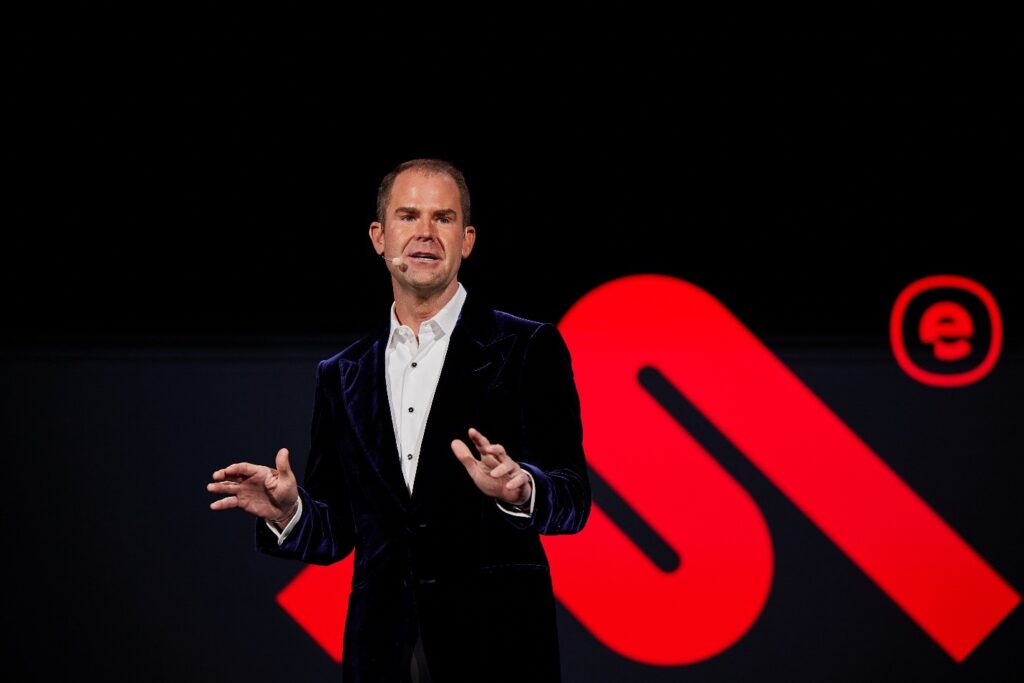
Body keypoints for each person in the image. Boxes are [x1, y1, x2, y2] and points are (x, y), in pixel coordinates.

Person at [208, 158, 591, 682]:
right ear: (379, 236)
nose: (425, 233)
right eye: (408, 216)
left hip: (498, 646)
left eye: (443, 218)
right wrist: (290, 512)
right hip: (381, 652)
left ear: (467, 240)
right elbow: (336, 530)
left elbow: (573, 499)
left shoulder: (527, 347)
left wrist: (523, 489)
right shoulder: (341, 374)